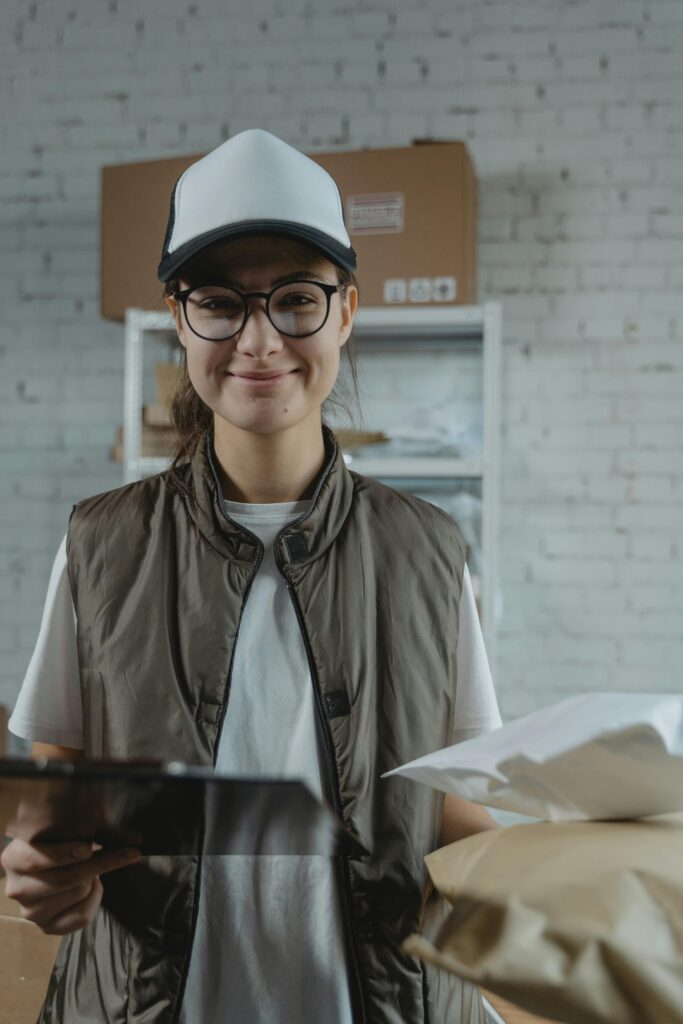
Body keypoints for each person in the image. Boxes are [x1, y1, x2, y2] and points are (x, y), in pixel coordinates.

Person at [2, 129, 502, 1024]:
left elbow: (461, 823)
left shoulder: (430, 551)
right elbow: (56, 796)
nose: (260, 340)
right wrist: (46, 876)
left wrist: (566, 886)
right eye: (221, 303)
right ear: (178, 316)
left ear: (345, 312)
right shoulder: (100, 544)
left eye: (296, 301)